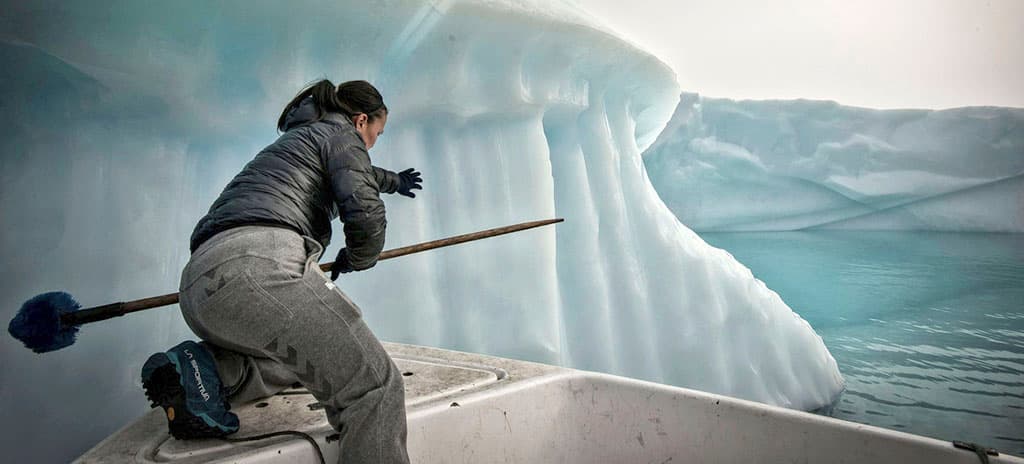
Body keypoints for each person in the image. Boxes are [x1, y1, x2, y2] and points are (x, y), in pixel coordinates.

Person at [140, 79, 421, 463]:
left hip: (202, 282)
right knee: (373, 387)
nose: (372, 143)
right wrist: (355, 259)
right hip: (259, 264)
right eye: (376, 134)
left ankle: (206, 372)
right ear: (360, 121)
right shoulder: (342, 136)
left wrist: (396, 181)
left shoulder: (299, 142)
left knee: (298, 360)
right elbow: (365, 212)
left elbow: (362, 173)